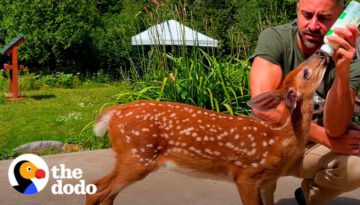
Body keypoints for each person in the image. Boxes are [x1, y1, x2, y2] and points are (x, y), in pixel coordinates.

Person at [249, 0, 360, 204]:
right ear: (297, 9)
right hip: (272, 142)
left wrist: (342, 72)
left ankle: (310, 196)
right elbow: (262, 107)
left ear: (340, 17)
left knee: (357, 165)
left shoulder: (349, 54)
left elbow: (335, 129)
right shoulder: (275, 38)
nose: (313, 25)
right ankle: (262, 192)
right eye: (307, 15)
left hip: (311, 149)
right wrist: (326, 138)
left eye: (325, 18)